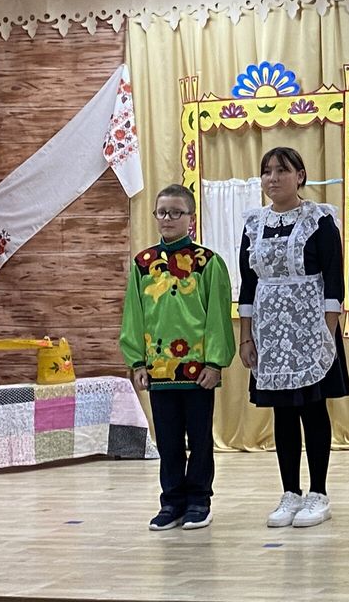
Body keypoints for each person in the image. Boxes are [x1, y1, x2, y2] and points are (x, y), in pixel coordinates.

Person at [238, 147, 349, 528]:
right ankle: (290, 492)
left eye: (282, 171)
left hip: (310, 327)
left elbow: (334, 281)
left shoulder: (320, 220)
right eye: (267, 171)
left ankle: (318, 493)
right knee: (282, 412)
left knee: (313, 409)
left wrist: (327, 334)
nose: (273, 178)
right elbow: (248, 284)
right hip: (270, 331)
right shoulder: (253, 224)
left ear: (300, 176)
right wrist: (247, 337)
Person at [120, 184, 235, 531]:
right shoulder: (143, 264)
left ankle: (199, 499)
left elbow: (217, 316)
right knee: (168, 440)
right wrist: (137, 362)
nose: (167, 218)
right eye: (162, 212)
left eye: (175, 212)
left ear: (190, 218)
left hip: (198, 370)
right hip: (158, 368)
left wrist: (215, 362)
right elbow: (134, 315)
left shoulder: (207, 263)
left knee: (199, 439)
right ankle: (171, 501)